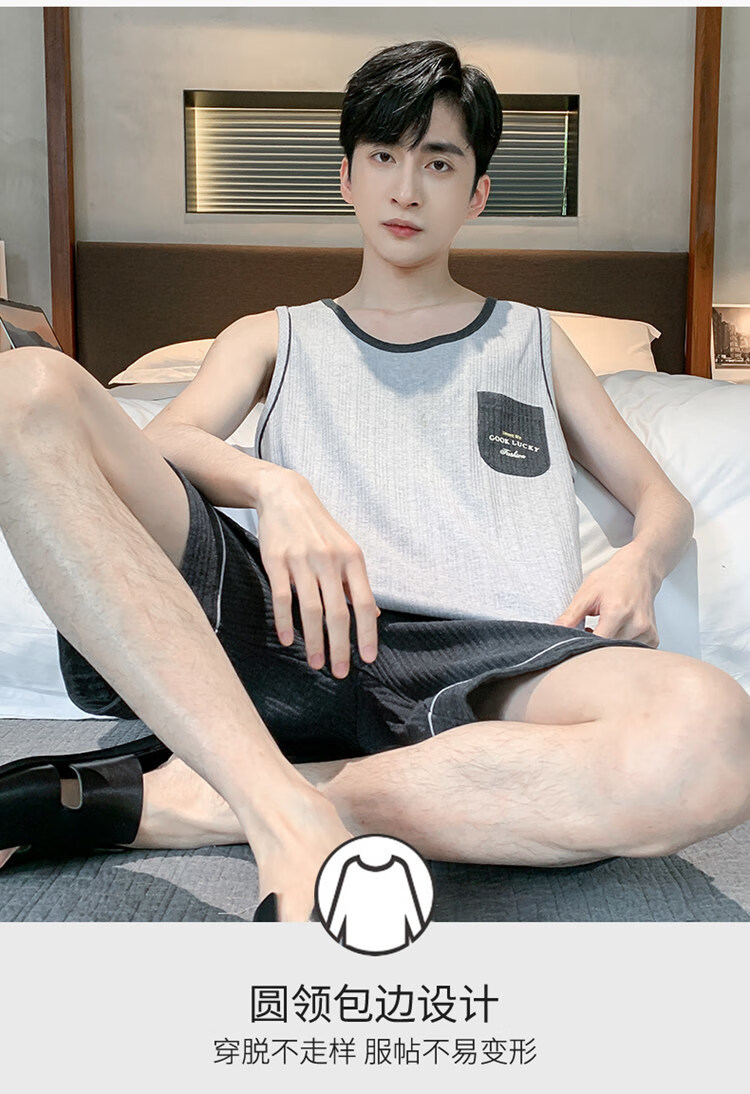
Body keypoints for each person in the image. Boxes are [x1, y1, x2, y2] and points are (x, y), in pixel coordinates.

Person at [2, 40, 749, 924]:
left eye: (438, 163)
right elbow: (166, 439)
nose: (406, 190)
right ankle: (277, 805)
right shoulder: (272, 334)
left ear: (476, 193)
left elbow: (660, 500)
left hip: (497, 668)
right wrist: (277, 489)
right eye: (384, 156)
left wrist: (638, 565)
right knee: (26, 387)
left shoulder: (536, 340)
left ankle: (217, 799)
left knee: (713, 735)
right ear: (347, 177)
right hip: (288, 629)